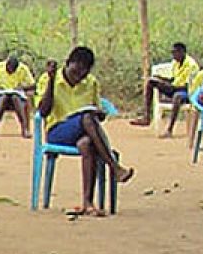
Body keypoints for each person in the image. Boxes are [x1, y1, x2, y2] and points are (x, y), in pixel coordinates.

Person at [37, 47, 133, 217]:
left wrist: (100, 114)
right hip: (58, 131)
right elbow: (43, 112)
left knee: (86, 143)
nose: (79, 76)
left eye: (83, 73)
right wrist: (51, 82)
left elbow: (97, 113)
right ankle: (114, 166)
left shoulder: (92, 83)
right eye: (75, 70)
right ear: (67, 64)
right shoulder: (48, 79)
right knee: (87, 118)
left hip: (84, 132)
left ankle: (87, 203)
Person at [132, 42, 200, 137]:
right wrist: (160, 79)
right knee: (151, 82)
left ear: (182, 52)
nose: (173, 55)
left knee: (177, 96)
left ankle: (169, 129)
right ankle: (147, 116)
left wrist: (171, 86)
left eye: (175, 52)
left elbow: (189, 86)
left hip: (186, 92)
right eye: (172, 53)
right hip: (174, 87)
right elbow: (173, 79)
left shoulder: (191, 65)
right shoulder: (175, 63)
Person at [0, 55, 35, 138]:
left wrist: (22, 88)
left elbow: (33, 85)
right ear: (6, 65)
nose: (11, 72)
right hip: (1, 95)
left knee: (15, 97)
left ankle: (25, 128)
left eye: (13, 71)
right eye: (9, 70)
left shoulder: (23, 68)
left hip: (17, 98)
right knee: (3, 97)